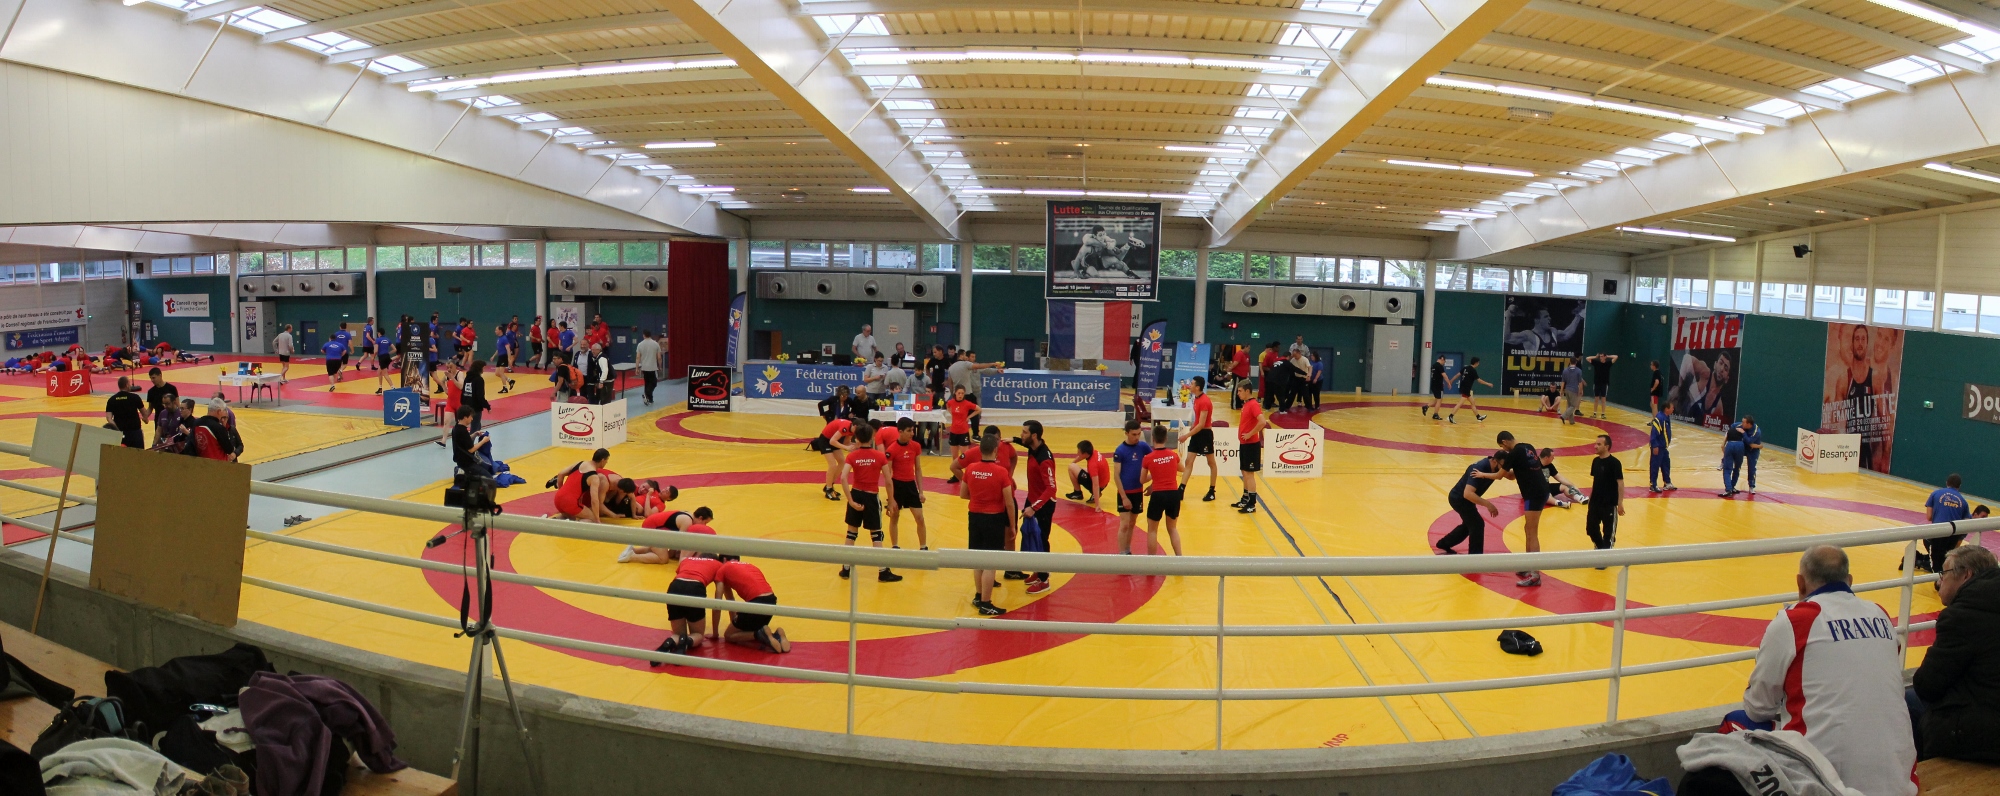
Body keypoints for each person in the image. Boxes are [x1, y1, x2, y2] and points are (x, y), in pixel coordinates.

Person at [1740, 545, 1916, 796]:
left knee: (1737, 724)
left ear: (1800, 583)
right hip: (1899, 781)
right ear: (1850, 580)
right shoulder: (1880, 614)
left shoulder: (1795, 621)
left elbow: (1757, 708)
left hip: (1823, 783)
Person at [1911, 545, 2000, 764]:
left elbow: (1927, 685)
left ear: (1966, 575)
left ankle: (1920, 774)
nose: (1939, 581)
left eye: (1944, 573)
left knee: (1907, 700)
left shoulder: (1963, 616)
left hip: (1982, 734)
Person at [836, 422, 904, 582]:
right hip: (871, 497)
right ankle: (882, 571)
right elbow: (888, 480)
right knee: (876, 534)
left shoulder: (852, 456)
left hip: (856, 494)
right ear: (872, 437)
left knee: (851, 533)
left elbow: (843, 477)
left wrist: (850, 500)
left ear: (857, 438)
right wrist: (891, 501)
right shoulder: (880, 456)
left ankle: (845, 568)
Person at [961, 433, 1015, 616]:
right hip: (993, 519)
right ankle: (986, 603)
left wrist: (979, 497)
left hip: (974, 517)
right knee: (991, 562)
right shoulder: (1001, 472)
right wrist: (1012, 526)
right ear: (995, 451)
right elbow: (1009, 502)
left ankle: (978, 596)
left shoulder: (970, 469)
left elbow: (963, 494)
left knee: (978, 559)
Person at [1498, 431, 1548, 587]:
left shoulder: (1514, 453)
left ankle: (1535, 575)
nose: (1504, 450)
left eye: (1502, 447)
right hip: (1536, 492)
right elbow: (1513, 475)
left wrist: (1483, 474)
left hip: (1533, 493)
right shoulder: (1528, 447)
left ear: (1505, 442)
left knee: (1532, 532)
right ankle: (1528, 564)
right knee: (1528, 529)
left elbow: (1499, 475)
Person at [650, 551, 723, 658]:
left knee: (677, 634)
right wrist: (715, 633)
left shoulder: (687, 560)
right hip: (695, 588)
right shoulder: (718, 565)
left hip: (674, 587)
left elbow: (680, 576)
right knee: (698, 634)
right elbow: (718, 601)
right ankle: (687, 641)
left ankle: (669, 642)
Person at [1436, 450, 1504, 555]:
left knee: (1469, 524)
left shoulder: (1496, 466)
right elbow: (1467, 494)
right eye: (1502, 466)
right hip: (1459, 499)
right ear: (1495, 461)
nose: (1503, 470)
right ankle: (1475, 556)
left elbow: (1509, 475)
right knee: (1477, 524)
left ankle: (1444, 543)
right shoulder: (1478, 469)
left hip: (1465, 499)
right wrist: (1488, 505)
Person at [716, 558, 789, 653]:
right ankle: (777, 636)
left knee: (729, 636)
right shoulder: (750, 566)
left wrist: (715, 633)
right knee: (747, 631)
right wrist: (735, 623)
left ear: (724, 559)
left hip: (756, 602)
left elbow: (718, 603)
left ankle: (758, 634)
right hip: (771, 600)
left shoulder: (723, 569)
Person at [1018, 420, 1057, 592]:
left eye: (1024, 432)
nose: (1021, 435)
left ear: (1034, 436)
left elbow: (1051, 488)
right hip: (1032, 498)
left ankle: (1044, 579)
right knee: (1030, 536)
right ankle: (1038, 570)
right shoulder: (1033, 447)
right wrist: (1012, 440)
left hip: (1043, 505)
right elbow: (1023, 442)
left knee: (1041, 540)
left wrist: (1034, 507)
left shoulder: (1044, 459)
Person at [883, 418, 929, 551]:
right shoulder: (892, 449)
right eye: (909, 431)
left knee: (920, 518)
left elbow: (918, 469)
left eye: (913, 430)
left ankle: (923, 547)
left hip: (910, 485)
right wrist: (890, 499)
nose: (912, 433)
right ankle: (895, 546)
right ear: (900, 432)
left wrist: (921, 492)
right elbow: (888, 475)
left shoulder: (916, 446)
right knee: (894, 517)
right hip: (897, 485)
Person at [1139, 425, 1185, 556]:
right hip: (1173, 494)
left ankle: (1152, 561)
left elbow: (1142, 480)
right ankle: (1180, 558)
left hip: (1158, 495)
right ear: (1166, 438)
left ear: (1153, 438)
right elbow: (1181, 468)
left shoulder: (1148, 458)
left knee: (1152, 530)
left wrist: (1155, 473)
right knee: (1172, 528)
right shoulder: (1173, 455)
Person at [1111, 420, 1151, 554]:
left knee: (1132, 523)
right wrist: (1123, 497)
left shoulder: (1143, 447)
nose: (1137, 437)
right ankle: (1122, 553)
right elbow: (1116, 475)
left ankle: (1128, 550)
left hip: (1137, 491)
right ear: (1126, 433)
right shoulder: (1120, 450)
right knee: (1124, 524)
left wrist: (1153, 482)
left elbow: (1155, 461)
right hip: (1125, 492)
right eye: (1134, 434)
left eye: (1139, 434)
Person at [623, 505, 710, 564]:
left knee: (665, 552)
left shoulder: (689, 515)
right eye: (705, 522)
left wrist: (674, 552)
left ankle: (634, 550)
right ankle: (631, 557)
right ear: (700, 518)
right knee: (663, 559)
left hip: (653, 527)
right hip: (651, 529)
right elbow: (679, 542)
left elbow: (675, 540)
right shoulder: (687, 522)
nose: (705, 525)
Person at [551, 449, 619, 522]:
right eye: (606, 460)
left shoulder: (580, 463)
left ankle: (554, 521)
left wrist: (561, 490)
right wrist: (597, 519)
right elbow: (594, 500)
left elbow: (561, 474)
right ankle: (576, 526)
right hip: (570, 502)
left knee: (571, 517)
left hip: (557, 499)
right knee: (591, 519)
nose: (606, 462)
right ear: (602, 460)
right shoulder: (593, 477)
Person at [1178, 376, 1218, 502]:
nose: (1190, 385)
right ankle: (1181, 489)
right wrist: (1193, 427)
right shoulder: (1196, 398)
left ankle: (1212, 490)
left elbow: (1202, 424)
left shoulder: (1204, 401)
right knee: (1188, 461)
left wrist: (1186, 436)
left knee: (1211, 463)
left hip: (1205, 435)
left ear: (1198, 387)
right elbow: (1198, 421)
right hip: (1197, 433)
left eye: (1192, 384)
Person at [1922, 474, 1972, 573]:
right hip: (1953, 535)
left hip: (1938, 531)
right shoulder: (1963, 501)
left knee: (1936, 562)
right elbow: (1966, 523)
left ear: (1946, 483)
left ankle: (1937, 577)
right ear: (1959, 486)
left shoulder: (1935, 494)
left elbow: (1929, 517)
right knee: (1946, 560)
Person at [1234, 380, 1269, 514]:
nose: (1238, 393)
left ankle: (1252, 503)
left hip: (1251, 444)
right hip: (1245, 444)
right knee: (1244, 472)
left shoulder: (1253, 405)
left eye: (1240, 391)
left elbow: (1262, 422)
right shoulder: (1247, 404)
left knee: (1249, 474)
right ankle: (1245, 498)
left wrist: (1250, 434)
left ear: (1247, 391)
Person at [1586, 434, 1624, 554]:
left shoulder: (1615, 463)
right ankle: (1601, 549)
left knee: (1608, 533)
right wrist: (1590, 499)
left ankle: (1605, 554)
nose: (1595, 446)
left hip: (1609, 504)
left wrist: (1620, 503)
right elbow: (1596, 482)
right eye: (1595, 443)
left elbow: (1620, 483)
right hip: (1595, 502)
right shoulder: (1595, 461)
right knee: (1591, 529)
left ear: (1606, 447)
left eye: (1599, 444)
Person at [811, 415, 858, 501]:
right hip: (825, 440)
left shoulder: (852, 429)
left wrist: (856, 446)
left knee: (842, 462)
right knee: (832, 464)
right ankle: (829, 489)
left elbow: (846, 442)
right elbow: (832, 441)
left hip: (833, 440)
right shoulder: (845, 427)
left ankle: (829, 485)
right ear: (855, 426)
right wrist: (846, 448)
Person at [943, 386, 978, 483]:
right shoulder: (951, 402)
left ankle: (968, 475)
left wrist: (969, 417)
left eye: (962, 393)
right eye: (959, 393)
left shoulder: (967, 403)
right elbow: (947, 405)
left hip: (963, 432)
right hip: (954, 432)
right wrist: (951, 413)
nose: (960, 395)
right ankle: (956, 475)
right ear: (955, 393)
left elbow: (978, 409)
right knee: (955, 456)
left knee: (965, 456)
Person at [1065, 439, 1111, 507]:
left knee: (1071, 467)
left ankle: (1078, 493)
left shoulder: (1093, 465)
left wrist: (1097, 505)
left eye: (1079, 452)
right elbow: (1081, 457)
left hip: (1099, 484)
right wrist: (1073, 462)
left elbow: (1095, 485)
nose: (1077, 453)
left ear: (1085, 453)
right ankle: (1095, 493)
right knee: (1077, 467)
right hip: (1103, 481)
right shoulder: (1094, 452)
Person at [449, 405, 490, 480]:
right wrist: (483, 441)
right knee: (488, 478)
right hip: (467, 463)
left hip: (460, 461)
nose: (472, 419)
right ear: (465, 417)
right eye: (471, 416)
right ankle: (464, 473)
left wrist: (474, 434)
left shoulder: (456, 428)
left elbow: (464, 440)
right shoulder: (462, 431)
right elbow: (471, 449)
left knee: (485, 468)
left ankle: (461, 470)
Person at [104, 376, 145, 449]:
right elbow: (144, 412)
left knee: (122, 454)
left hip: (120, 432)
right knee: (139, 454)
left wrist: (116, 428)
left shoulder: (112, 400)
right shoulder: (135, 397)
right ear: (127, 385)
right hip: (135, 432)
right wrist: (145, 418)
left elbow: (108, 418)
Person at [1446, 357, 1490, 424]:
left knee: (1472, 402)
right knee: (1460, 403)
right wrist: (1488, 384)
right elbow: (1479, 380)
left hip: (1463, 387)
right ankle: (1451, 416)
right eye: (1478, 362)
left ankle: (1478, 417)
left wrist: (1451, 381)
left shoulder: (1465, 368)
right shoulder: (1473, 370)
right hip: (1466, 389)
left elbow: (1457, 375)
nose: (1478, 364)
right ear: (1476, 363)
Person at [1648, 402, 1677, 493]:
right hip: (1658, 447)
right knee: (1655, 466)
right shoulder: (1659, 418)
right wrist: (1655, 445)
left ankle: (1667, 483)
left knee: (1666, 464)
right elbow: (1654, 433)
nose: (1673, 409)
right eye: (1672, 408)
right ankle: (1653, 485)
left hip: (1663, 447)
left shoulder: (1666, 417)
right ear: (1666, 409)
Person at [1720, 417, 1749, 498]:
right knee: (1737, 468)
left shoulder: (1730, 430)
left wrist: (1725, 454)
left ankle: (1728, 489)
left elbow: (1722, 445)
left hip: (1730, 445)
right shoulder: (1744, 430)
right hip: (1740, 445)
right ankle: (1732, 487)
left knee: (1727, 469)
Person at [461, 360, 491, 433]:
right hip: (475, 407)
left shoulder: (467, 378)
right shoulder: (479, 380)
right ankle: (469, 440)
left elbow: (464, 391)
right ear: (479, 368)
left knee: (477, 426)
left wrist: (463, 403)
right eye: (483, 368)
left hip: (466, 405)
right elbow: (480, 396)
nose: (484, 370)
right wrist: (487, 406)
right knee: (474, 429)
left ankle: (473, 438)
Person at [635, 329, 662, 405]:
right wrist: (660, 366)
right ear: (650, 335)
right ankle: (647, 394)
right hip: (653, 367)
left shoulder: (640, 344)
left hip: (644, 368)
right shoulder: (656, 344)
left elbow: (638, 357)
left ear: (643, 335)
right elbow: (659, 357)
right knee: (654, 383)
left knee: (647, 383)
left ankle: (650, 399)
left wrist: (637, 368)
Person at [1587, 353, 1618, 419]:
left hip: (1604, 384)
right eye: (1600, 356)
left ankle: (1603, 414)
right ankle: (1595, 413)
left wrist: (1608, 356)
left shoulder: (1608, 364)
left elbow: (1616, 357)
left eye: (1602, 356)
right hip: (1597, 383)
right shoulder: (1596, 363)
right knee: (1596, 398)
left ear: (1605, 357)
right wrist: (1595, 357)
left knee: (1603, 399)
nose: (1600, 357)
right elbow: (1587, 358)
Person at [1424, 355, 1453, 421]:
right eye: (1444, 362)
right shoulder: (1439, 366)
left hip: (1433, 384)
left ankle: (1426, 406)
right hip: (1438, 386)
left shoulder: (1433, 366)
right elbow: (1444, 375)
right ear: (1442, 359)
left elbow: (1436, 376)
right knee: (1439, 400)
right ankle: (1435, 414)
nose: (1444, 363)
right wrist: (1448, 383)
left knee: (1436, 399)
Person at [1742, 415, 1763, 494]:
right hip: (1744, 447)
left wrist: (1743, 433)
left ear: (1748, 424)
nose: (1742, 424)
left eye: (1744, 422)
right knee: (1732, 450)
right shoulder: (1742, 426)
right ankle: (1723, 462)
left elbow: (1749, 441)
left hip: (1753, 451)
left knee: (1751, 468)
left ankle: (1751, 486)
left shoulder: (1756, 431)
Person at [1560, 357, 1584, 425]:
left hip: (1567, 389)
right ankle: (1563, 416)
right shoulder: (1578, 371)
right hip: (1574, 390)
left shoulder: (1565, 370)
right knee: (1573, 406)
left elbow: (1563, 382)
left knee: (1569, 405)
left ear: (1570, 362)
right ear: (1576, 362)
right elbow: (1580, 382)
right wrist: (1581, 390)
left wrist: (1561, 390)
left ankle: (1571, 421)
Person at [1229, 345, 1251, 409]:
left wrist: (1249, 374)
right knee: (1236, 389)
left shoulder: (1247, 355)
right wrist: (1229, 369)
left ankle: (1240, 403)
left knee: (1242, 389)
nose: (1249, 350)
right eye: (1248, 348)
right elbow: (1235, 363)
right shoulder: (1239, 354)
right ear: (1245, 347)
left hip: (1244, 375)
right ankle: (1234, 405)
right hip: (1238, 374)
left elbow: (1248, 365)